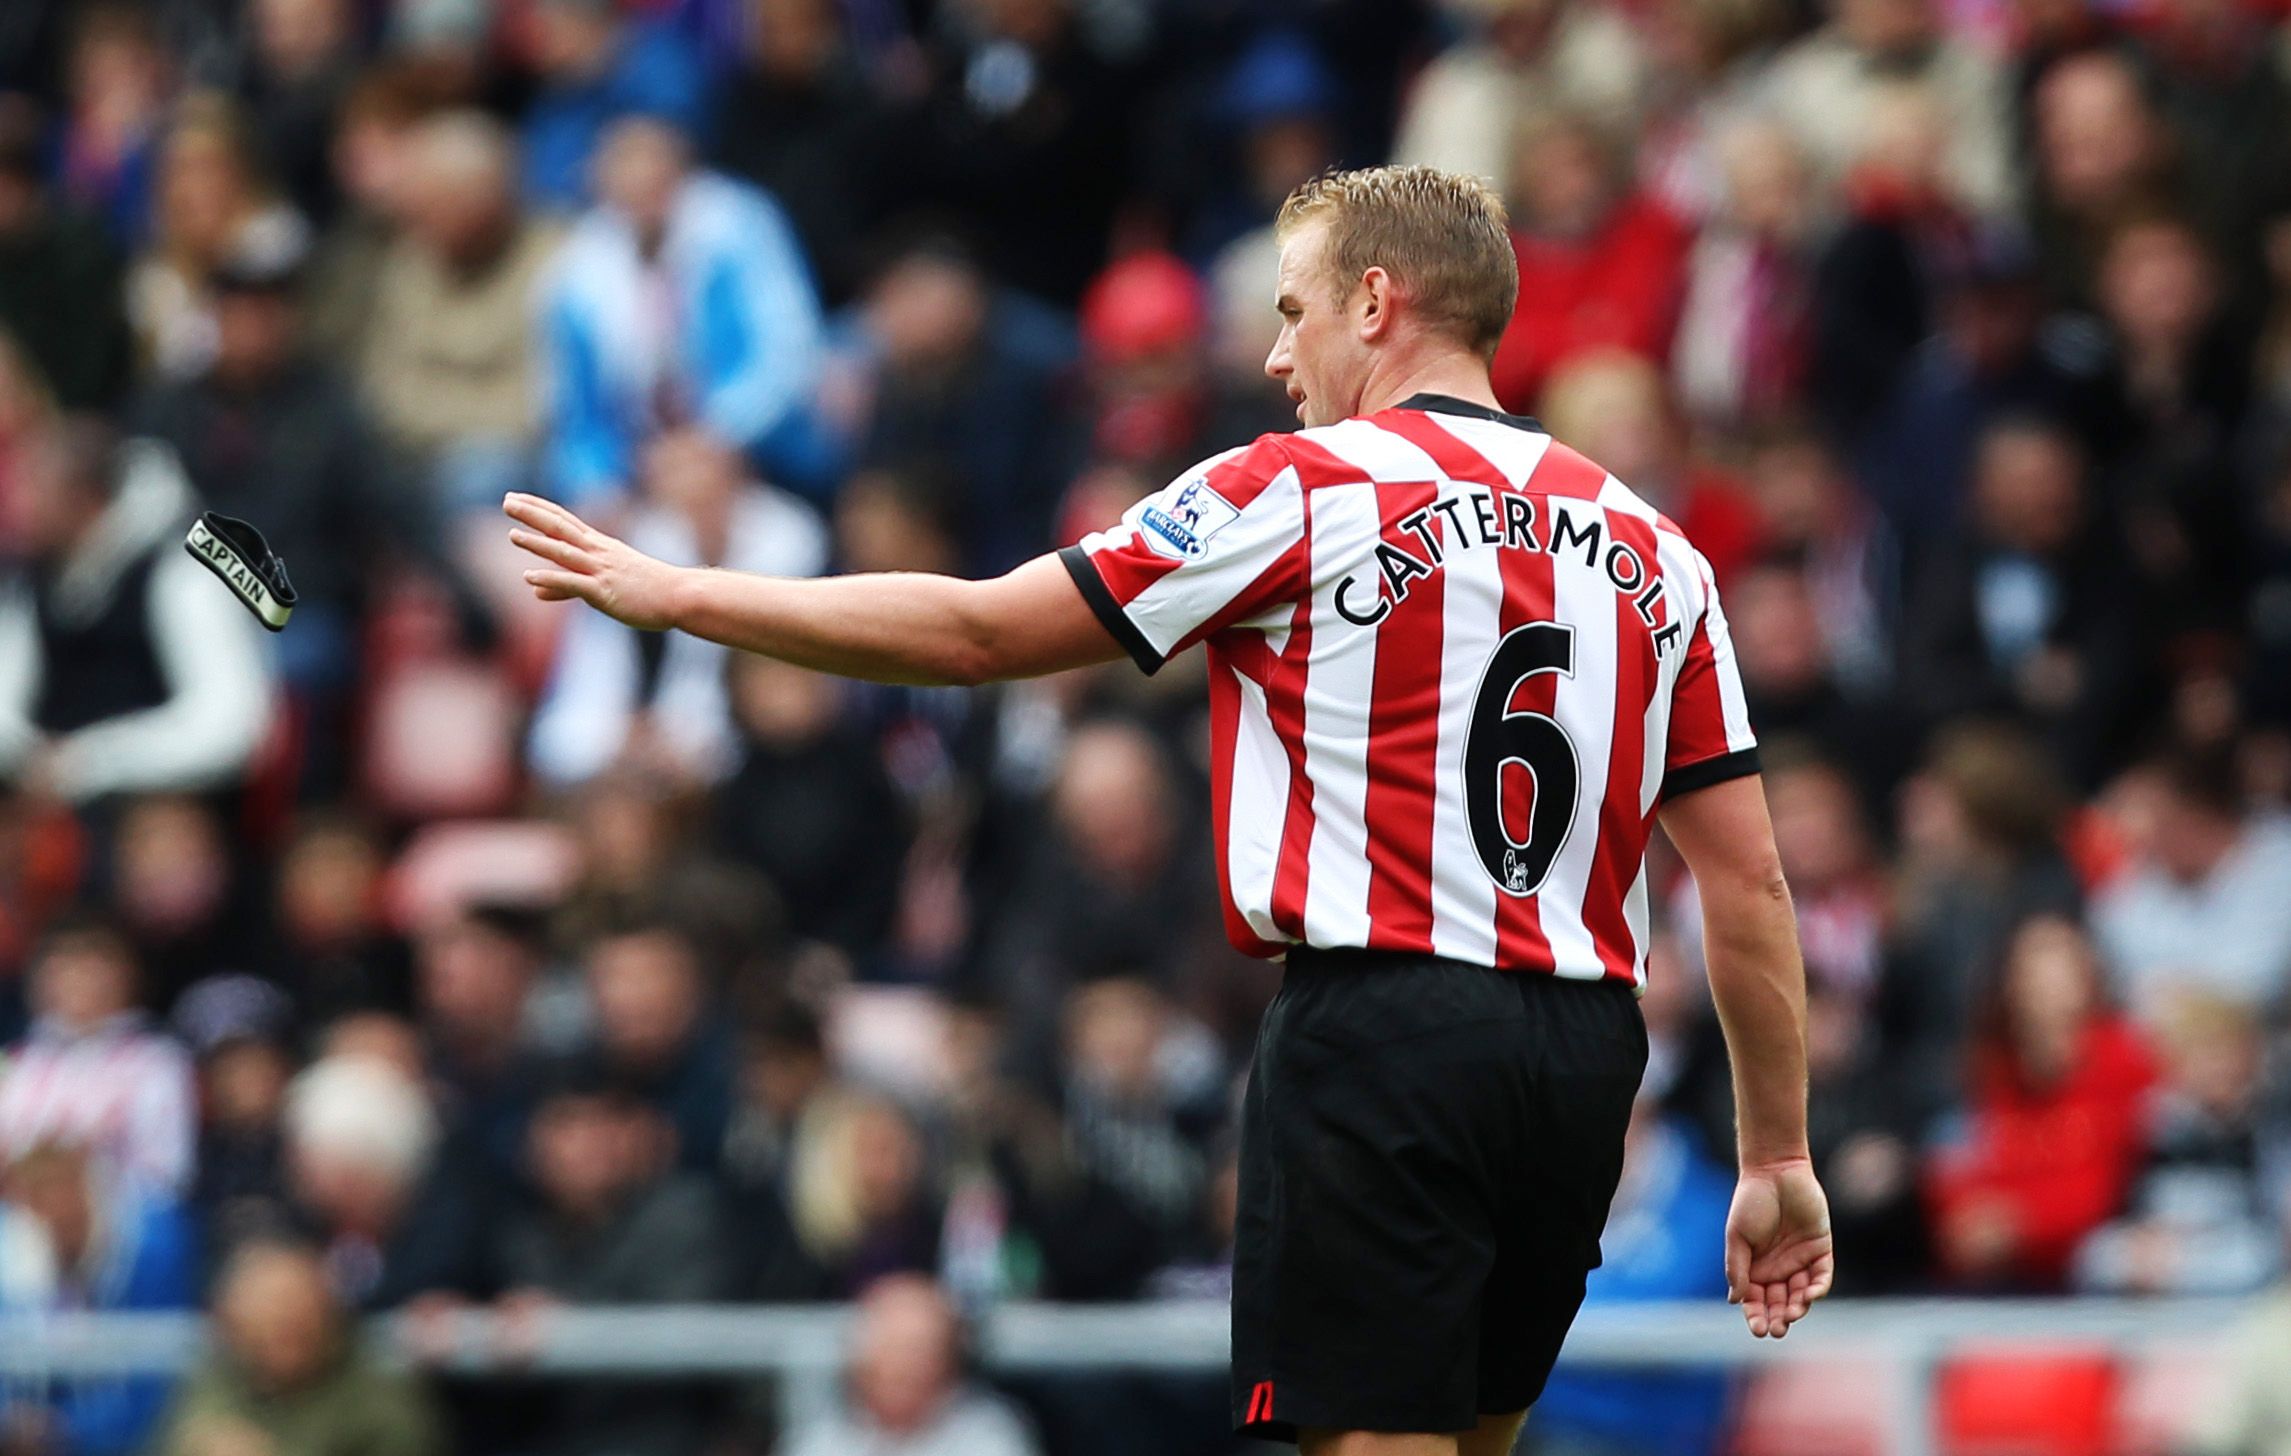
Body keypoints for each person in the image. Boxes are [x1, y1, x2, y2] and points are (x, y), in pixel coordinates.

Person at [506, 163, 1831, 1454]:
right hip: (1578, 1057)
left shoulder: (1300, 488)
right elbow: (1748, 884)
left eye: (1289, 311)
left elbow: (975, 634)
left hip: (1386, 1027)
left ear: (1374, 304)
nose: (1273, 358)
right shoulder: (1653, 546)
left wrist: (684, 593)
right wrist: (1772, 1151)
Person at [153, 1240, 443, 1456]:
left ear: (325, 1316)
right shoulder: (221, 1378)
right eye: (265, 1325)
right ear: (234, 1329)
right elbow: (170, 1440)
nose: (283, 1330)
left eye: (296, 1319)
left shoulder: (379, 1398)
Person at [779, 1273, 1041, 1456]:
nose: (903, 1369)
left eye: (917, 1351)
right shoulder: (825, 1443)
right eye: (891, 1349)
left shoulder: (990, 1437)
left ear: (948, 1363)